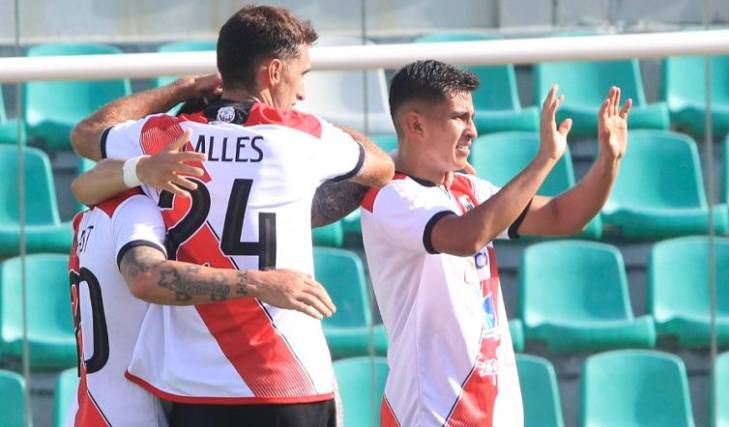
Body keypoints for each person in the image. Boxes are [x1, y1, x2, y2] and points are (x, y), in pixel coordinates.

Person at [69, 5, 394, 426]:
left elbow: (86, 135)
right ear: (273, 72)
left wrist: (179, 89)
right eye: (303, 76)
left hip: (193, 389)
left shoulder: (164, 137)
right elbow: (381, 166)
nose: (303, 93)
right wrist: (296, 119)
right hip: (284, 378)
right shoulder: (300, 136)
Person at [361, 59, 630, 426]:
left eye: (472, 117)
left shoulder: (469, 188)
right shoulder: (391, 197)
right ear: (416, 124)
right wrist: (545, 159)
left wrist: (609, 161)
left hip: (494, 407)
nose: (472, 130)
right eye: (460, 117)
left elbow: (562, 216)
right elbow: (467, 237)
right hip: (433, 410)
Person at [67, 131, 335, 426]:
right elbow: (146, 275)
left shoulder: (91, 217)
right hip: (136, 416)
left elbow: (81, 184)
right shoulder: (136, 211)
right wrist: (262, 284)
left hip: (87, 409)